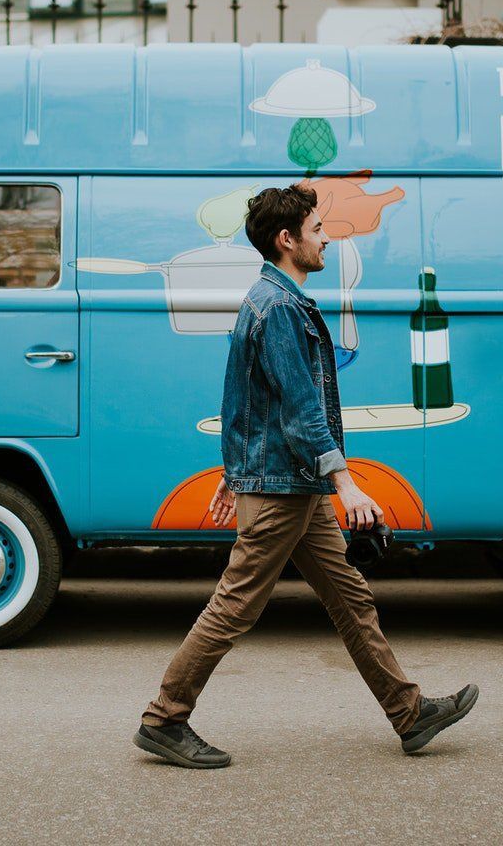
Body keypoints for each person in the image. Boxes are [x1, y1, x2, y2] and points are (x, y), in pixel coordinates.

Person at [132, 182, 478, 769]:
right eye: (318, 231)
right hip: (284, 490)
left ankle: (409, 711)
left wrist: (232, 470)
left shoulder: (273, 302)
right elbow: (297, 406)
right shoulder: (280, 309)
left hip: (289, 482)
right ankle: (164, 718)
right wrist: (345, 482)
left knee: (350, 598)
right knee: (234, 606)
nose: (326, 240)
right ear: (286, 239)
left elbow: (246, 396)